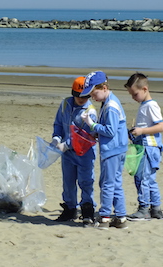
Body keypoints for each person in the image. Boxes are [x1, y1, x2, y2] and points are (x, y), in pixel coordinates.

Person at [80, 71, 128, 230]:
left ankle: (105, 217)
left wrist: (92, 125)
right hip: (117, 148)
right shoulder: (109, 103)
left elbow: (110, 130)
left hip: (112, 151)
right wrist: (95, 133)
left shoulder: (111, 106)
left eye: (94, 94)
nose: (93, 97)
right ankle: (120, 217)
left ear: (105, 88)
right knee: (115, 183)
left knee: (107, 184)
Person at [52, 76, 98, 227]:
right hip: (68, 154)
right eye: (78, 96)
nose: (81, 99)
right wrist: (56, 138)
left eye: (85, 96)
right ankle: (70, 209)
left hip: (85, 153)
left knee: (86, 182)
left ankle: (87, 211)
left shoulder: (90, 111)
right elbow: (58, 123)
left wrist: (66, 144)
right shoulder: (65, 104)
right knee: (68, 181)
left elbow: (85, 135)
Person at [124, 72, 163, 221]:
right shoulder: (145, 105)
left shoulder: (151, 105)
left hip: (148, 148)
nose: (133, 97)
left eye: (135, 94)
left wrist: (141, 131)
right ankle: (156, 208)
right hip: (146, 145)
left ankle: (144, 209)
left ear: (144, 89)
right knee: (149, 179)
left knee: (142, 178)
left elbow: (161, 126)